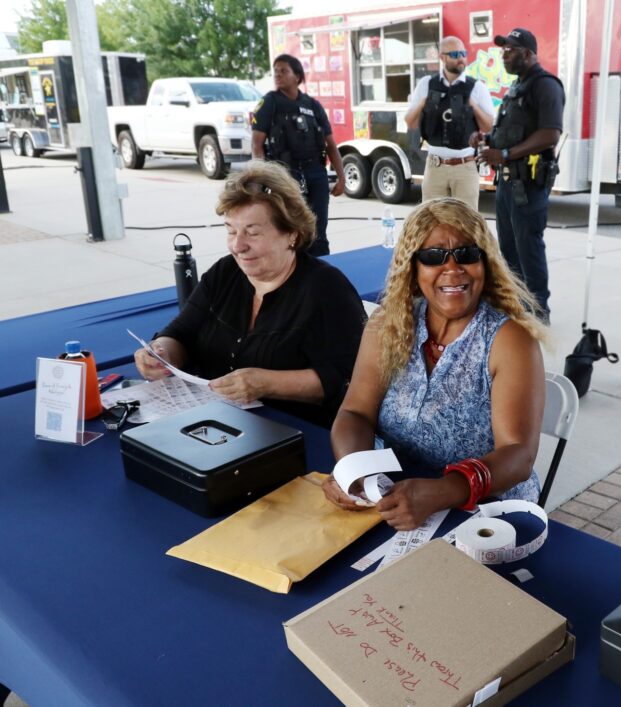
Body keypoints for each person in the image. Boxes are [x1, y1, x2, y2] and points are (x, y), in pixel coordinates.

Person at [321, 197, 548, 531]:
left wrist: (442, 492)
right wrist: (355, 472)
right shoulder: (387, 325)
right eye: (433, 256)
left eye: (467, 254)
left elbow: (518, 454)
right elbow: (355, 412)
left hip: (489, 515)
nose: (453, 268)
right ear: (413, 268)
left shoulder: (511, 341)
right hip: (397, 498)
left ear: (485, 263)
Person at [133, 161, 366, 427]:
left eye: (252, 233)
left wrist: (267, 384)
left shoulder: (327, 289)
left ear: (291, 233)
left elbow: (350, 379)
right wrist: (161, 353)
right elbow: (181, 333)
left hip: (297, 430)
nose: (237, 245)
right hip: (218, 423)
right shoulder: (225, 273)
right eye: (231, 231)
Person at [471, 28, 564, 321]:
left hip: (528, 184)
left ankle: (537, 311)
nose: (504, 55)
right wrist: (487, 139)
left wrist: (505, 154)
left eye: (509, 50)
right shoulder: (517, 87)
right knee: (509, 249)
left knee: (528, 248)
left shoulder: (545, 86)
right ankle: (515, 305)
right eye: (503, 50)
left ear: (527, 53)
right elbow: (512, 132)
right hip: (507, 182)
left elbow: (550, 134)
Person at [252, 54, 345, 257]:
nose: (278, 75)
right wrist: (261, 181)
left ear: (297, 76)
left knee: (318, 230)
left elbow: (330, 144)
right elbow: (257, 145)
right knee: (292, 230)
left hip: (315, 172)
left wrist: (341, 176)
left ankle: (322, 268)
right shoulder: (269, 103)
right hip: (285, 175)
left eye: (283, 71)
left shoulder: (313, 105)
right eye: (276, 71)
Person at [405, 36, 495, 210]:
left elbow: (489, 127)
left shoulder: (477, 87)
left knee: (466, 221)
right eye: (455, 54)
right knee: (432, 219)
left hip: (465, 166)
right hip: (435, 166)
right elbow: (410, 122)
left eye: (463, 53)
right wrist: (423, 103)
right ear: (442, 57)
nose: (461, 58)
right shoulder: (426, 84)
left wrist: (473, 106)